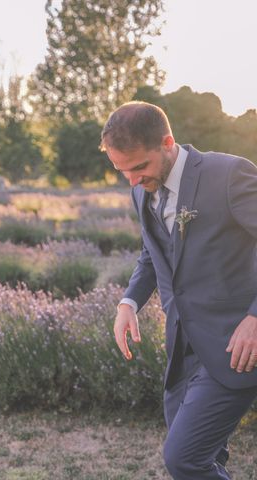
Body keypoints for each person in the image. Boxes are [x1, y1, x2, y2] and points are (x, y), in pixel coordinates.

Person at [101, 101, 257, 479]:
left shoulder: (228, 174)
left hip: (235, 347)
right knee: (204, 459)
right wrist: (128, 302)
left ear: (168, 143)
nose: (133, 180)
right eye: (122, 171)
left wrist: (255, 317)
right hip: (182, 350)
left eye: (140, 167)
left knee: (184, 458)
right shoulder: (141, 191)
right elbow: (154, 254)